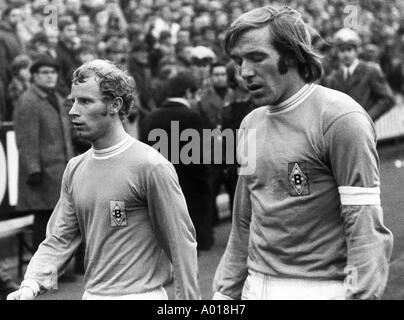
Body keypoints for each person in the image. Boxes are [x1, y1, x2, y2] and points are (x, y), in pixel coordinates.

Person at [212, 6, 393, 300]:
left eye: (257, 57)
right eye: (237, 61)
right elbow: (244, 221)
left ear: (292, 56)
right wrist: (224, 293)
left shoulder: (340, 118)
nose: (244, 72)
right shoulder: (250, 124)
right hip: (255, 287)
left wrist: (361, 295)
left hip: (318, 288)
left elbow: (363, 224)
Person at [7, 59, 200, 300]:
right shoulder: (75, 168)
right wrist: (31, 285)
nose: (73, 111)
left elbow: (180, 245)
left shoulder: (151, 166)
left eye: (86, 101)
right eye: (73, 101)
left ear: (115, 105)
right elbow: (60, 237)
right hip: (91, 295)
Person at [145, 71, 213, 251]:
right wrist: (206, 186)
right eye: (196, 94)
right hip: (187, 191)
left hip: (158, 189)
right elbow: (196, 160)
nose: (197, 99)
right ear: (188, 92)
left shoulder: (150, 118)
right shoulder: (190, 117)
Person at [13, 56, 73, 252]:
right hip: (42, 172)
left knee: (58, 220)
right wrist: (33, 169)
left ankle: (57, 267)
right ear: (35, 76)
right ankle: (42, 270)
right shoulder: (29, 101)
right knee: (44, 220)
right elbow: (26, 138)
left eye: (53, 72)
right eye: (45, 73)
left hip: (59, 168)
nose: (50, 77)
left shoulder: (56, 98)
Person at [326, 28, 395, 122]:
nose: (346, 54)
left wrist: (368, 117)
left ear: (357, 51)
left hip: (365, 126)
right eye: (342, 50)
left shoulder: (370, 70)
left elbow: (387, 99)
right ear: (337, 53)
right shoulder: (333, 78)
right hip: (342, 128)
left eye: (349, 49)